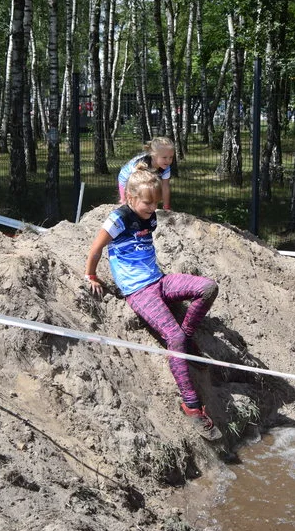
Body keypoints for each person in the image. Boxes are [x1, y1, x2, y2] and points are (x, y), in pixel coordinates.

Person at [85, 167, 222, 441]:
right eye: (147, 202)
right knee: (173, 338)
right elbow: (96, 247)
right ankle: (191, 406)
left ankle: (187, 337)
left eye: (156, 202)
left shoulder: (151, 217)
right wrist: (91, 274)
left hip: (159, 280)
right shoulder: (118, 218)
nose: (152, 207)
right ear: (131, 198)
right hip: (138, 291)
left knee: (208, 287)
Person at [117, 137, 175, 211]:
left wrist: (166, 208)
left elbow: (165, 187)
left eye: (171, 157)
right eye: (164, 157)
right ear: (153, 155)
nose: (168, 161)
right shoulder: (142, 164)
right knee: (127, 202)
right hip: (127, 179)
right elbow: (134, 185)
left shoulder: (166, 167)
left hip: (144, 177)